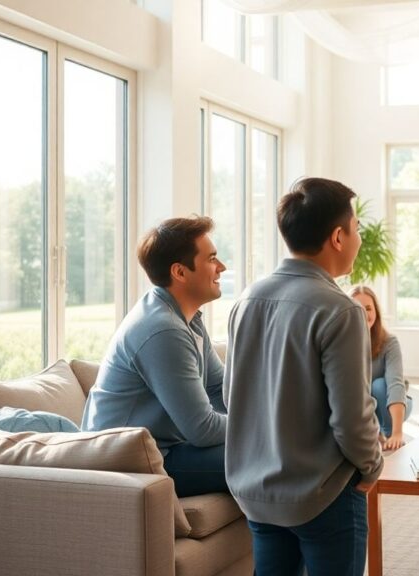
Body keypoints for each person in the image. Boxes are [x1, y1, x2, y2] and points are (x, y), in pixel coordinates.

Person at [225, 177, 383, 576]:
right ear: (337, 237)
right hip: (323, 495)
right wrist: (372, 466)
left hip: (257, 493)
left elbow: (232, 397)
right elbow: (352, 417)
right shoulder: (340, 310)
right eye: (357, 228)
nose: (359, 238)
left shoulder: (246, 299)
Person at [82, 216, 228, 498]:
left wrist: (266, 419)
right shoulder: (163, 330)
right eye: (212, 259)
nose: (221, 267)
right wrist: (264, 428)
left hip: (166, 448)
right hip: (131, 464)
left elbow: (219, 388)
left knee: (278, 447)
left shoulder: (186, 318)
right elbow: (202, 429)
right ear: (180, 272)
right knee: (271, 455)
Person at [349, 285, 413, 451]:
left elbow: (395, 384)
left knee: (378, 384)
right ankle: (375, 433)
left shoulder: (389, 342)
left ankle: (388, 432)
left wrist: (397, 433)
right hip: (366, 406)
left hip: (393, 402)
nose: (364, 313)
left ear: (376, 311)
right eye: (358, 308)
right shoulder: (343, 344)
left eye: (368, 308)